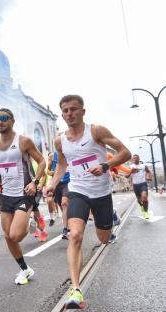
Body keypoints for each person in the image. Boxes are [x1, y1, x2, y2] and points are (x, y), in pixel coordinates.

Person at [47, 95, 131, 309]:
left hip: (101, 192)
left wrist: (105, 165)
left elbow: (125, 153)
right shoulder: (60, 141)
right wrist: (53, 184)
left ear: (83, 112)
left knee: (103, 239)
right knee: (75, 235)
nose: (69, 114)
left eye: (73, 109)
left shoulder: (96, 131)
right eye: (65, 110)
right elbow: (62, 166)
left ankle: (108, 220)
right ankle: (75, 290)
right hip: (78, 190)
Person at [0, 108, 46, 285]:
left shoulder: (23, 141)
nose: (0, 122)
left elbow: (41, 161)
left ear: (12, 120)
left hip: (25, 192)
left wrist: (36, 182)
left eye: (4, 118)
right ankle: (25, 269)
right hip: (5, 195)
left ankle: (29, 221)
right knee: (8, 236)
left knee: (16, 235)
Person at [47, 151, 71, 239]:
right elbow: (48, 171)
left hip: (68, 182)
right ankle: (68, 224)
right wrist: (52, 173)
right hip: (57, 184)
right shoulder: (52, 156)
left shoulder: (70, 152)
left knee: (64, 203)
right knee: (62, 206)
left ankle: (65, 229)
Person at [127, 154, 152, 219]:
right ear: (132, 160)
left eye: (136, 158)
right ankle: (141, 206)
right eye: (133, 158)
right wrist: (130, 172)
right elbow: (126, 176)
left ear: (139, 159)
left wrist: (147, 176)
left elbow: (148, 171)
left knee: (144, 197)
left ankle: (146, 212)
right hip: (135, 185)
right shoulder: (130, 167)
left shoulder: (143, 166)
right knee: (139, 200)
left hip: (143, 184)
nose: (135, 159)